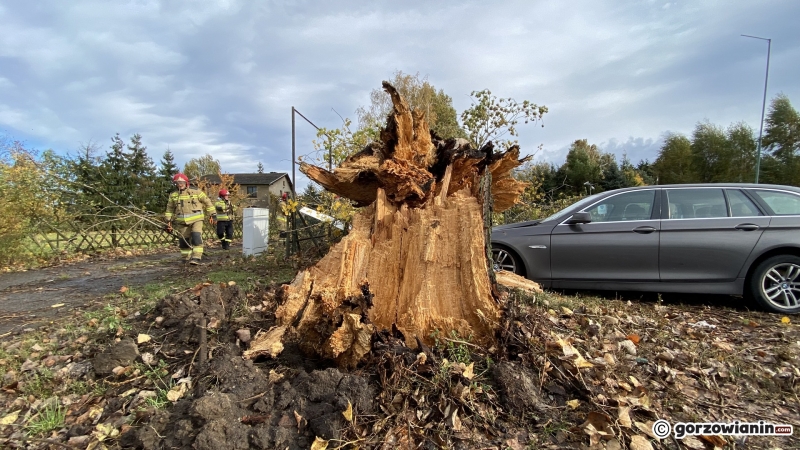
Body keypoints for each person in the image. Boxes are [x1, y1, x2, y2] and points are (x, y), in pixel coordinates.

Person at [164, 173, 216, 265]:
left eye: (181, 182)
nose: (179, 184)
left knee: (196, 237)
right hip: (182, 222)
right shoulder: (173, 195)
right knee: (183, 241)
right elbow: (169, 209)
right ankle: (185, 258)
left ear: (186, 182)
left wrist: (213, 214)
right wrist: (168, 221)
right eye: (177, 182)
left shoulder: (196, 191)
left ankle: (196, 257)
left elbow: (207, 202)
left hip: (197, 219)